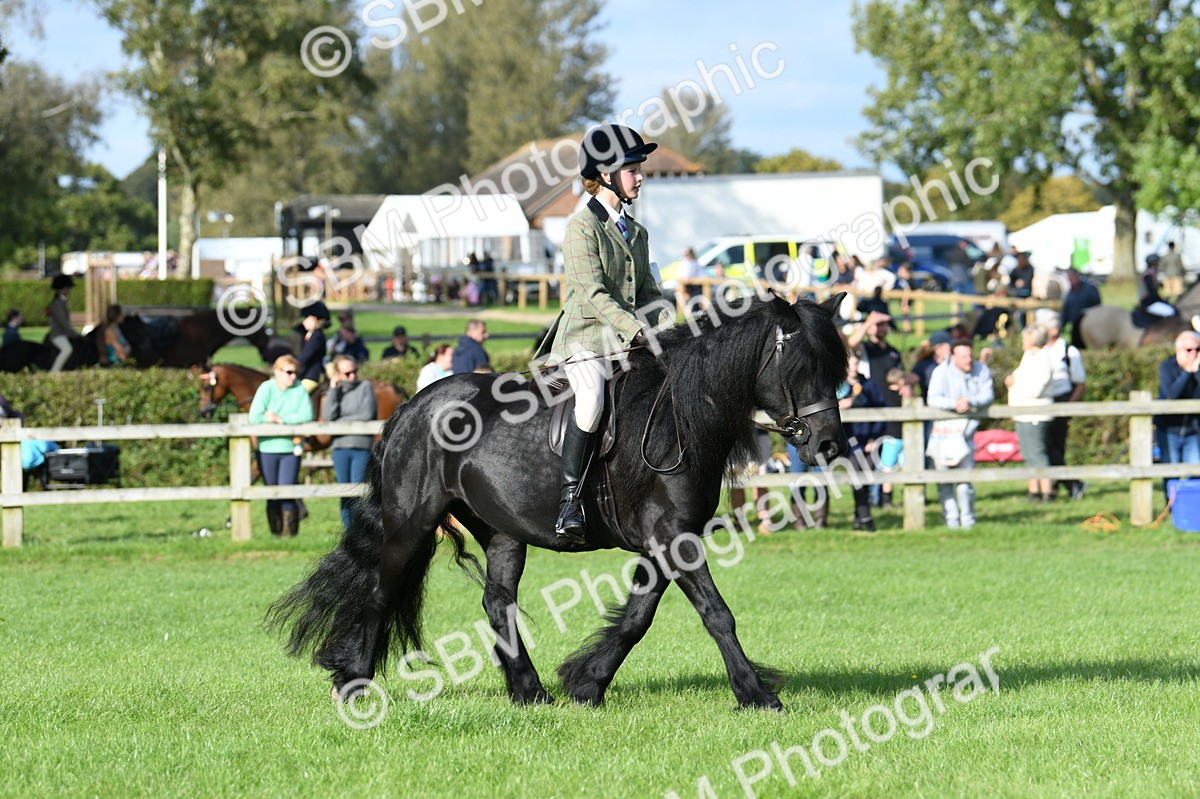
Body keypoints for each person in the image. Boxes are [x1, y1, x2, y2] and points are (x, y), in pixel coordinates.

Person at [545, 123, 669, 544]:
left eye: (639, 168)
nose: (640, 176)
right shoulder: (581, 229)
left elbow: (650, 293)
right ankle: (569, 502)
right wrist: (637, 331)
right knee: (592, 401)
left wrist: (674, 331)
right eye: (632, 168)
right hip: (587, 340)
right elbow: (593, 293)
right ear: (605, 175)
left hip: (629, 342)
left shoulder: (638, 232)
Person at [810, 352, 887, 532]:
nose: (853, 368)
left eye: (855, 364)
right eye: (849, 364)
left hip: (865, 439)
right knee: (854, 477)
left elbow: (882, 412)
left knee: (863, 479)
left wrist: (874, 437)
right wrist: (839, 405)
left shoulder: (869, 385)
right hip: (843, 440)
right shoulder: (834, 386)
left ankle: (860, 517)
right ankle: (865, 519)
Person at [926, 340, 994, 529]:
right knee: (944, 481)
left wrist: (970, 401)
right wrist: (954, 404)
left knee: (965, 481)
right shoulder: (941, 372)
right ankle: (952, 520)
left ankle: (968, 521)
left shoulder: (981, 369)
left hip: (967, 433)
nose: (968, 360)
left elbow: (988, 395)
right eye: (963, 356)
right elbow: (933, 399)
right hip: (942, 433)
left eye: (970, 355)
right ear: (953, 357)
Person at [249, 354, 314, 537]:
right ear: (277, 372)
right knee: (272, 492)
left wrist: (280, 419)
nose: (293, 376)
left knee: (287, 490)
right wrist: (267, 419)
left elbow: (306, 415)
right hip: (267, 448)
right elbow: (254, 416)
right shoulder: (266, 388)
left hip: (290, 449)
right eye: (288, 372)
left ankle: (290, 535)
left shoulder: (299, 389)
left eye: (295, 372)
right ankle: (276, 534)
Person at [323, 354, 377, 530]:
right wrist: (333, 390)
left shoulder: (365, 387)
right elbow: (329, 415)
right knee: (344, 493)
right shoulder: (336, 391)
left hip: (360, 446)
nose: (352, 376)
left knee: (358, 491)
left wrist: (341, 421)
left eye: (354, 371)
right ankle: (348, 531)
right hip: (340, 448)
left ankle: (359, 530)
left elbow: (367, 414)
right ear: (338, 374)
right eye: (347, 373)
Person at [1038, 309, 1087, 500]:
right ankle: (1067, 484)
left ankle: (1065, 485)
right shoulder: (1038, 349)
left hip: (1061, 400)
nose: (1054, 328)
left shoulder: (1069, 351)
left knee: (1056, 447)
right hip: (1041, 401)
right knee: (1045, 445)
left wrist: (1068, 406)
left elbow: (1080, 383)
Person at [1005, 325, 1056, 502]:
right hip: (1023, 413)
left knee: (1038, 453)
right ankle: (1034, 492)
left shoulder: (1043, 359)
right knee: (1028, 454)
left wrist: (1014, 383)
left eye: (1025, 337)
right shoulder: (1029, 356)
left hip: (1036, 414)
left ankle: (1048, 492)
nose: (1022, 341)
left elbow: (1034, 389)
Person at [1154, 330, 1200, 472]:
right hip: (1169, 430)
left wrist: (1196, 371)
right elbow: (1171, 396)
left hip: (1193, 431)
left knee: (1195, 475)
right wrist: (1187, 372)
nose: (1194, 354)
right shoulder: (1167, 366)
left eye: (1198, 349)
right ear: (1178, 350)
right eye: (1188, 350)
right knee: (1170, 474)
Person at [1060, 267, 1102, 348]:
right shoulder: (1069, 293)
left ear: (1077, 276)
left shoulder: (1089, 289)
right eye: (1069, 278)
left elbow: (1097, 304)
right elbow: (1066, 311)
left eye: (1072, 277)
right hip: (1075, 326)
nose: (1070, 280)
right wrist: (1062, 326)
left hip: (1089, 324)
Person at [295, 300, 329, 394]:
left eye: (306, 318)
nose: (303, 321)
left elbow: (305, 356)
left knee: (297, 395)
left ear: (314, 318)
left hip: (311, 376)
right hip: (306, 374)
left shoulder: (316, 336)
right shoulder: (311, 334)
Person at [47, 274, 76, 372]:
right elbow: (63, 322)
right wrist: (74, 333)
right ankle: (54, 372)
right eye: (68, 288)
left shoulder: (62, 302)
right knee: (67, 349)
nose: (69, 290)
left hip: (63, 333)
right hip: (57, 334)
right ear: (62, 289)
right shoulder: (57, 303)